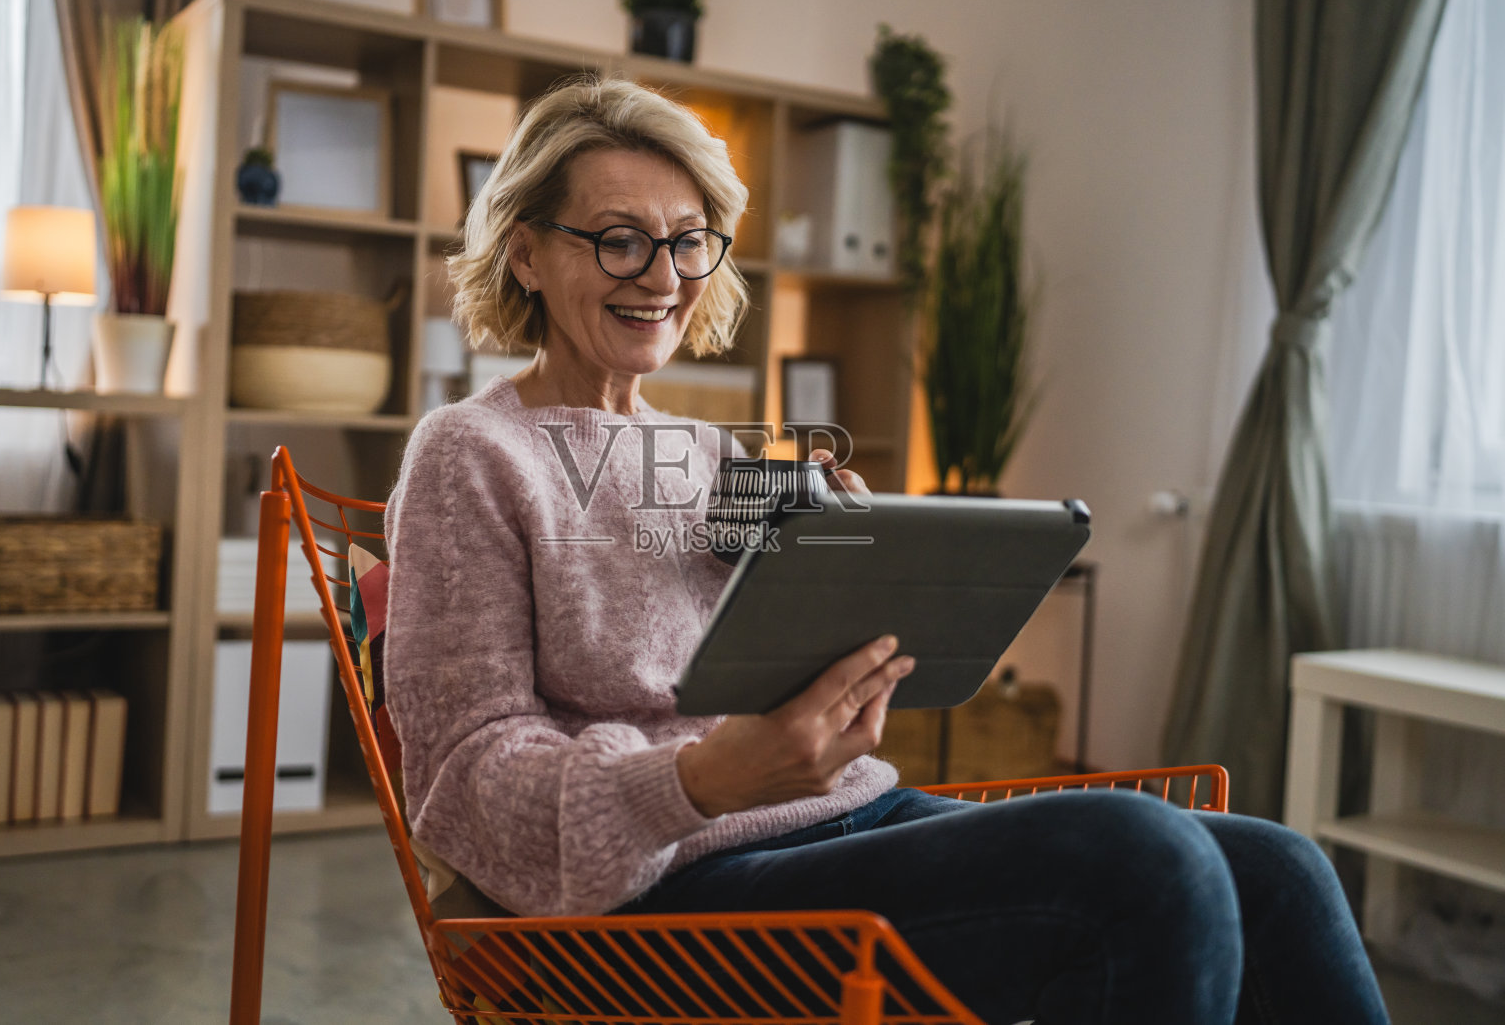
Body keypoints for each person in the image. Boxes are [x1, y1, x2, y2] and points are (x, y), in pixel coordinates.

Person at [383, 76, 1388, 1025]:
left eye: (689, 243)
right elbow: (462, 776)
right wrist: (693, 780)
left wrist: (853, 567)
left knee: (1280, 866)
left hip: (842, 812)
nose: (662, 277)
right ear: (524, 254)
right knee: (1142, 854)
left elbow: (784, 648)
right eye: (617, 241)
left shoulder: (712, 452)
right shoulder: (470, 453)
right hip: (662, 884)